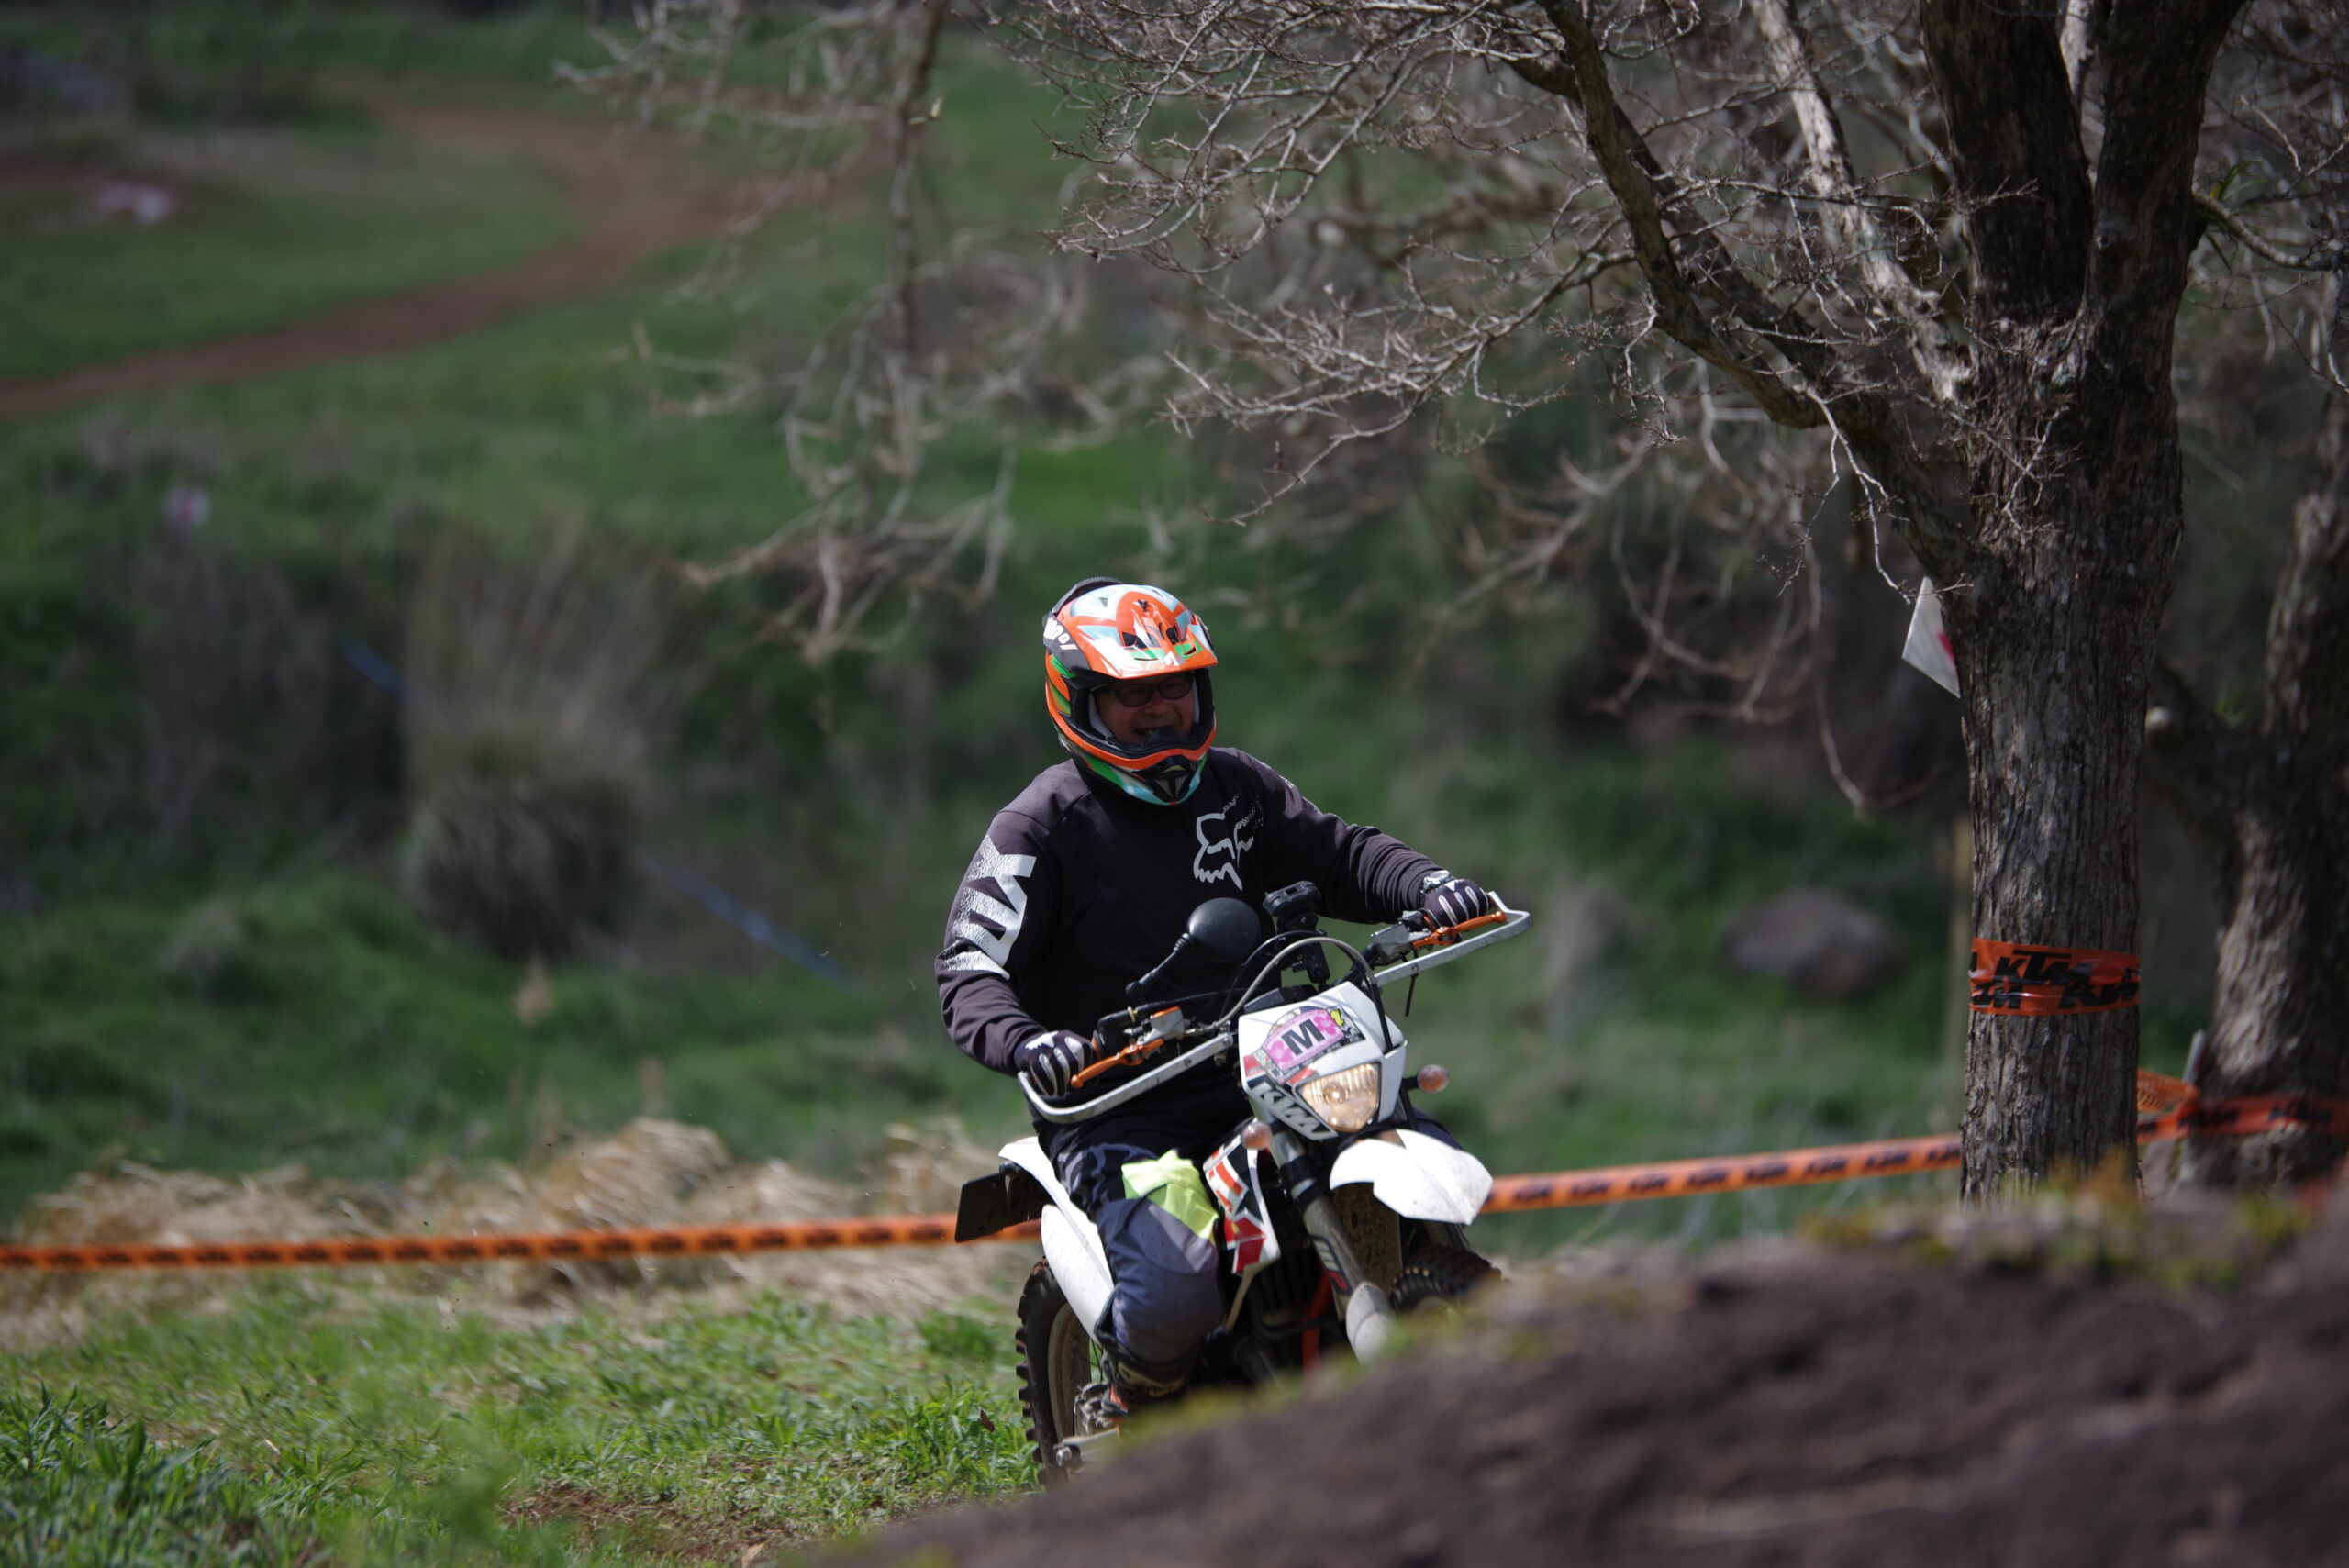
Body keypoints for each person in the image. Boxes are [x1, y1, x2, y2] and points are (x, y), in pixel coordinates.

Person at [935, 577, 1494, 1416]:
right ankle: (1132, 1398)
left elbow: (1340, 853)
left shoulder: (1235, 787)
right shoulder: (1039, 826)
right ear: (1079, 700)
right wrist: (1030, 1042)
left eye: (1175, 686)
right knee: (1174, 1291)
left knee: (1395, 1129)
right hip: (1125, 1108)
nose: (1160, 709)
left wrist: (1430, 885)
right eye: (1133, 695)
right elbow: (969, 966)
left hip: (1275, 1061)